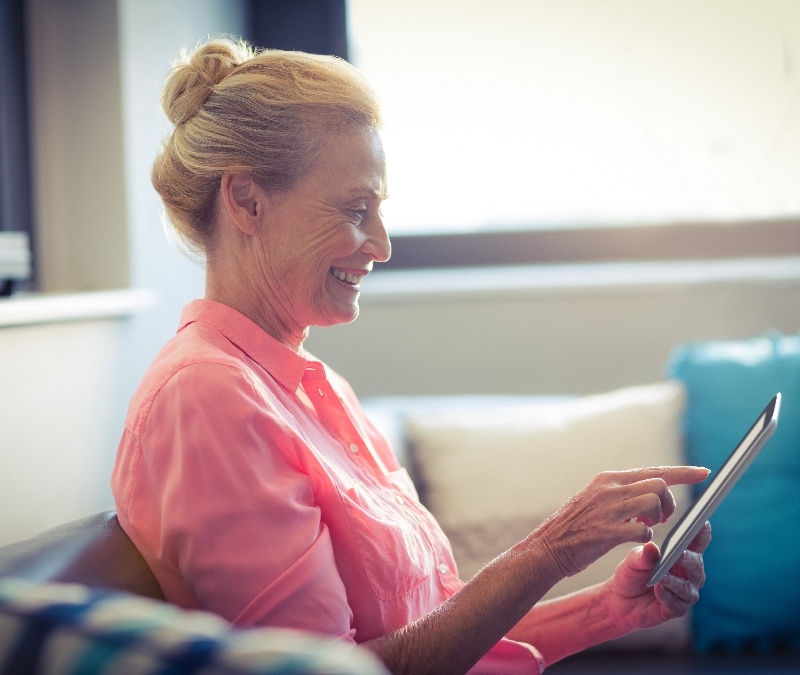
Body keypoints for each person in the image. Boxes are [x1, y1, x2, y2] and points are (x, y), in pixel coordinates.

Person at [112, 37, 711, 674]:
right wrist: (554, 548)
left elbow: (435, 627)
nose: (382, 244)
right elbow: (331, 671)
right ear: (247, 201)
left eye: (380, 210)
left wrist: (610, 611)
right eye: (355, 208)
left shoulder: (314, 388)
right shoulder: (204, 398)